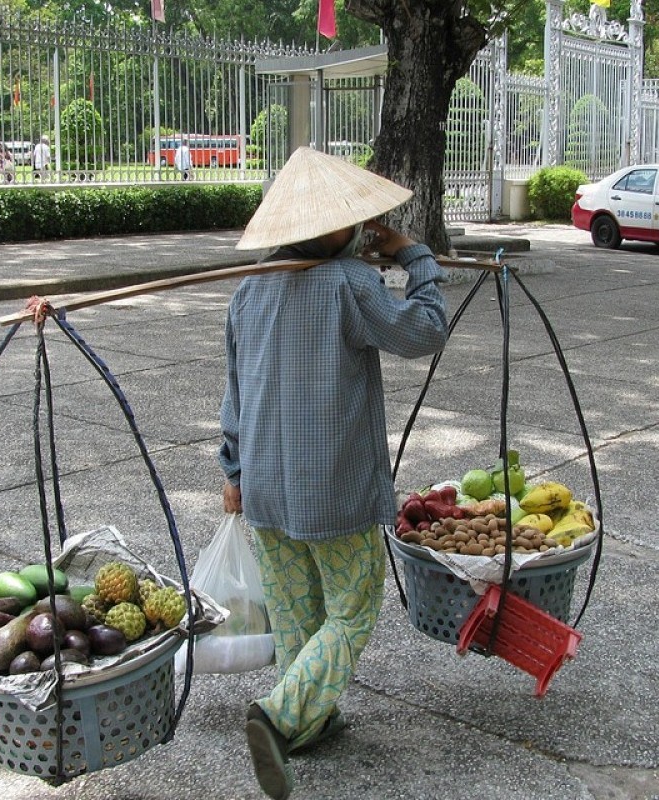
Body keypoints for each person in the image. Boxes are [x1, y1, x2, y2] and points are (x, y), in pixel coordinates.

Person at [218, 147, 449, 800]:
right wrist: (414, 256)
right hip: (335, 493)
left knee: (299, 614)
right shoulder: (349, 283)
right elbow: (425, 330)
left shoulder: (247, 292)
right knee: (351, 609)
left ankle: (308, 720)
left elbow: (233, 397)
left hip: (264, 488)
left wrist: (231, 469)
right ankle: (279, 712)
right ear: (339, 231)